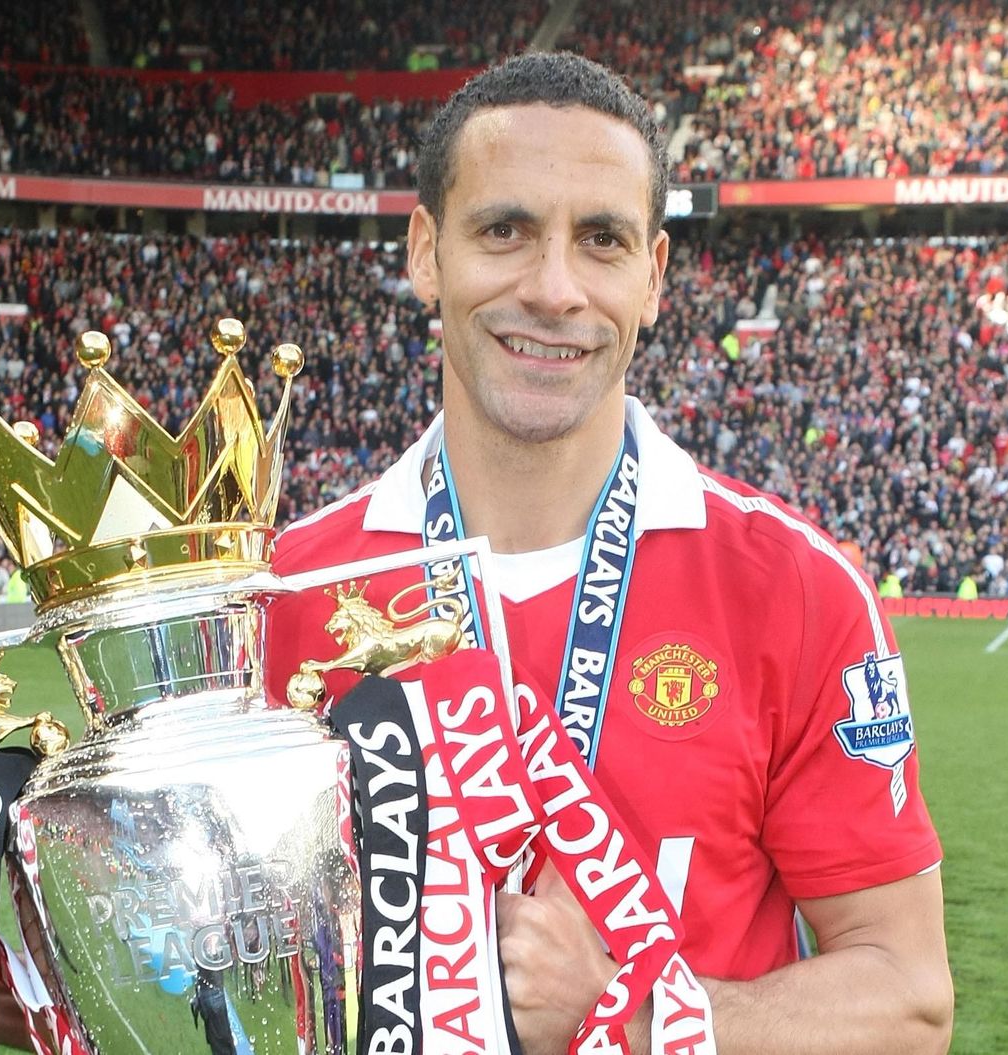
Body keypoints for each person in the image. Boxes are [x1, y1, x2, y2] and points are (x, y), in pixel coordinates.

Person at [270, 52, 952, 1055]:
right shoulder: (286, 589)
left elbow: (908, 1000)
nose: (553, 289)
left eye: (601, 240)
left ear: (654, 276)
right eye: (505, 230)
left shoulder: (796, 588)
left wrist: (629, 1014)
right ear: (426, 251)